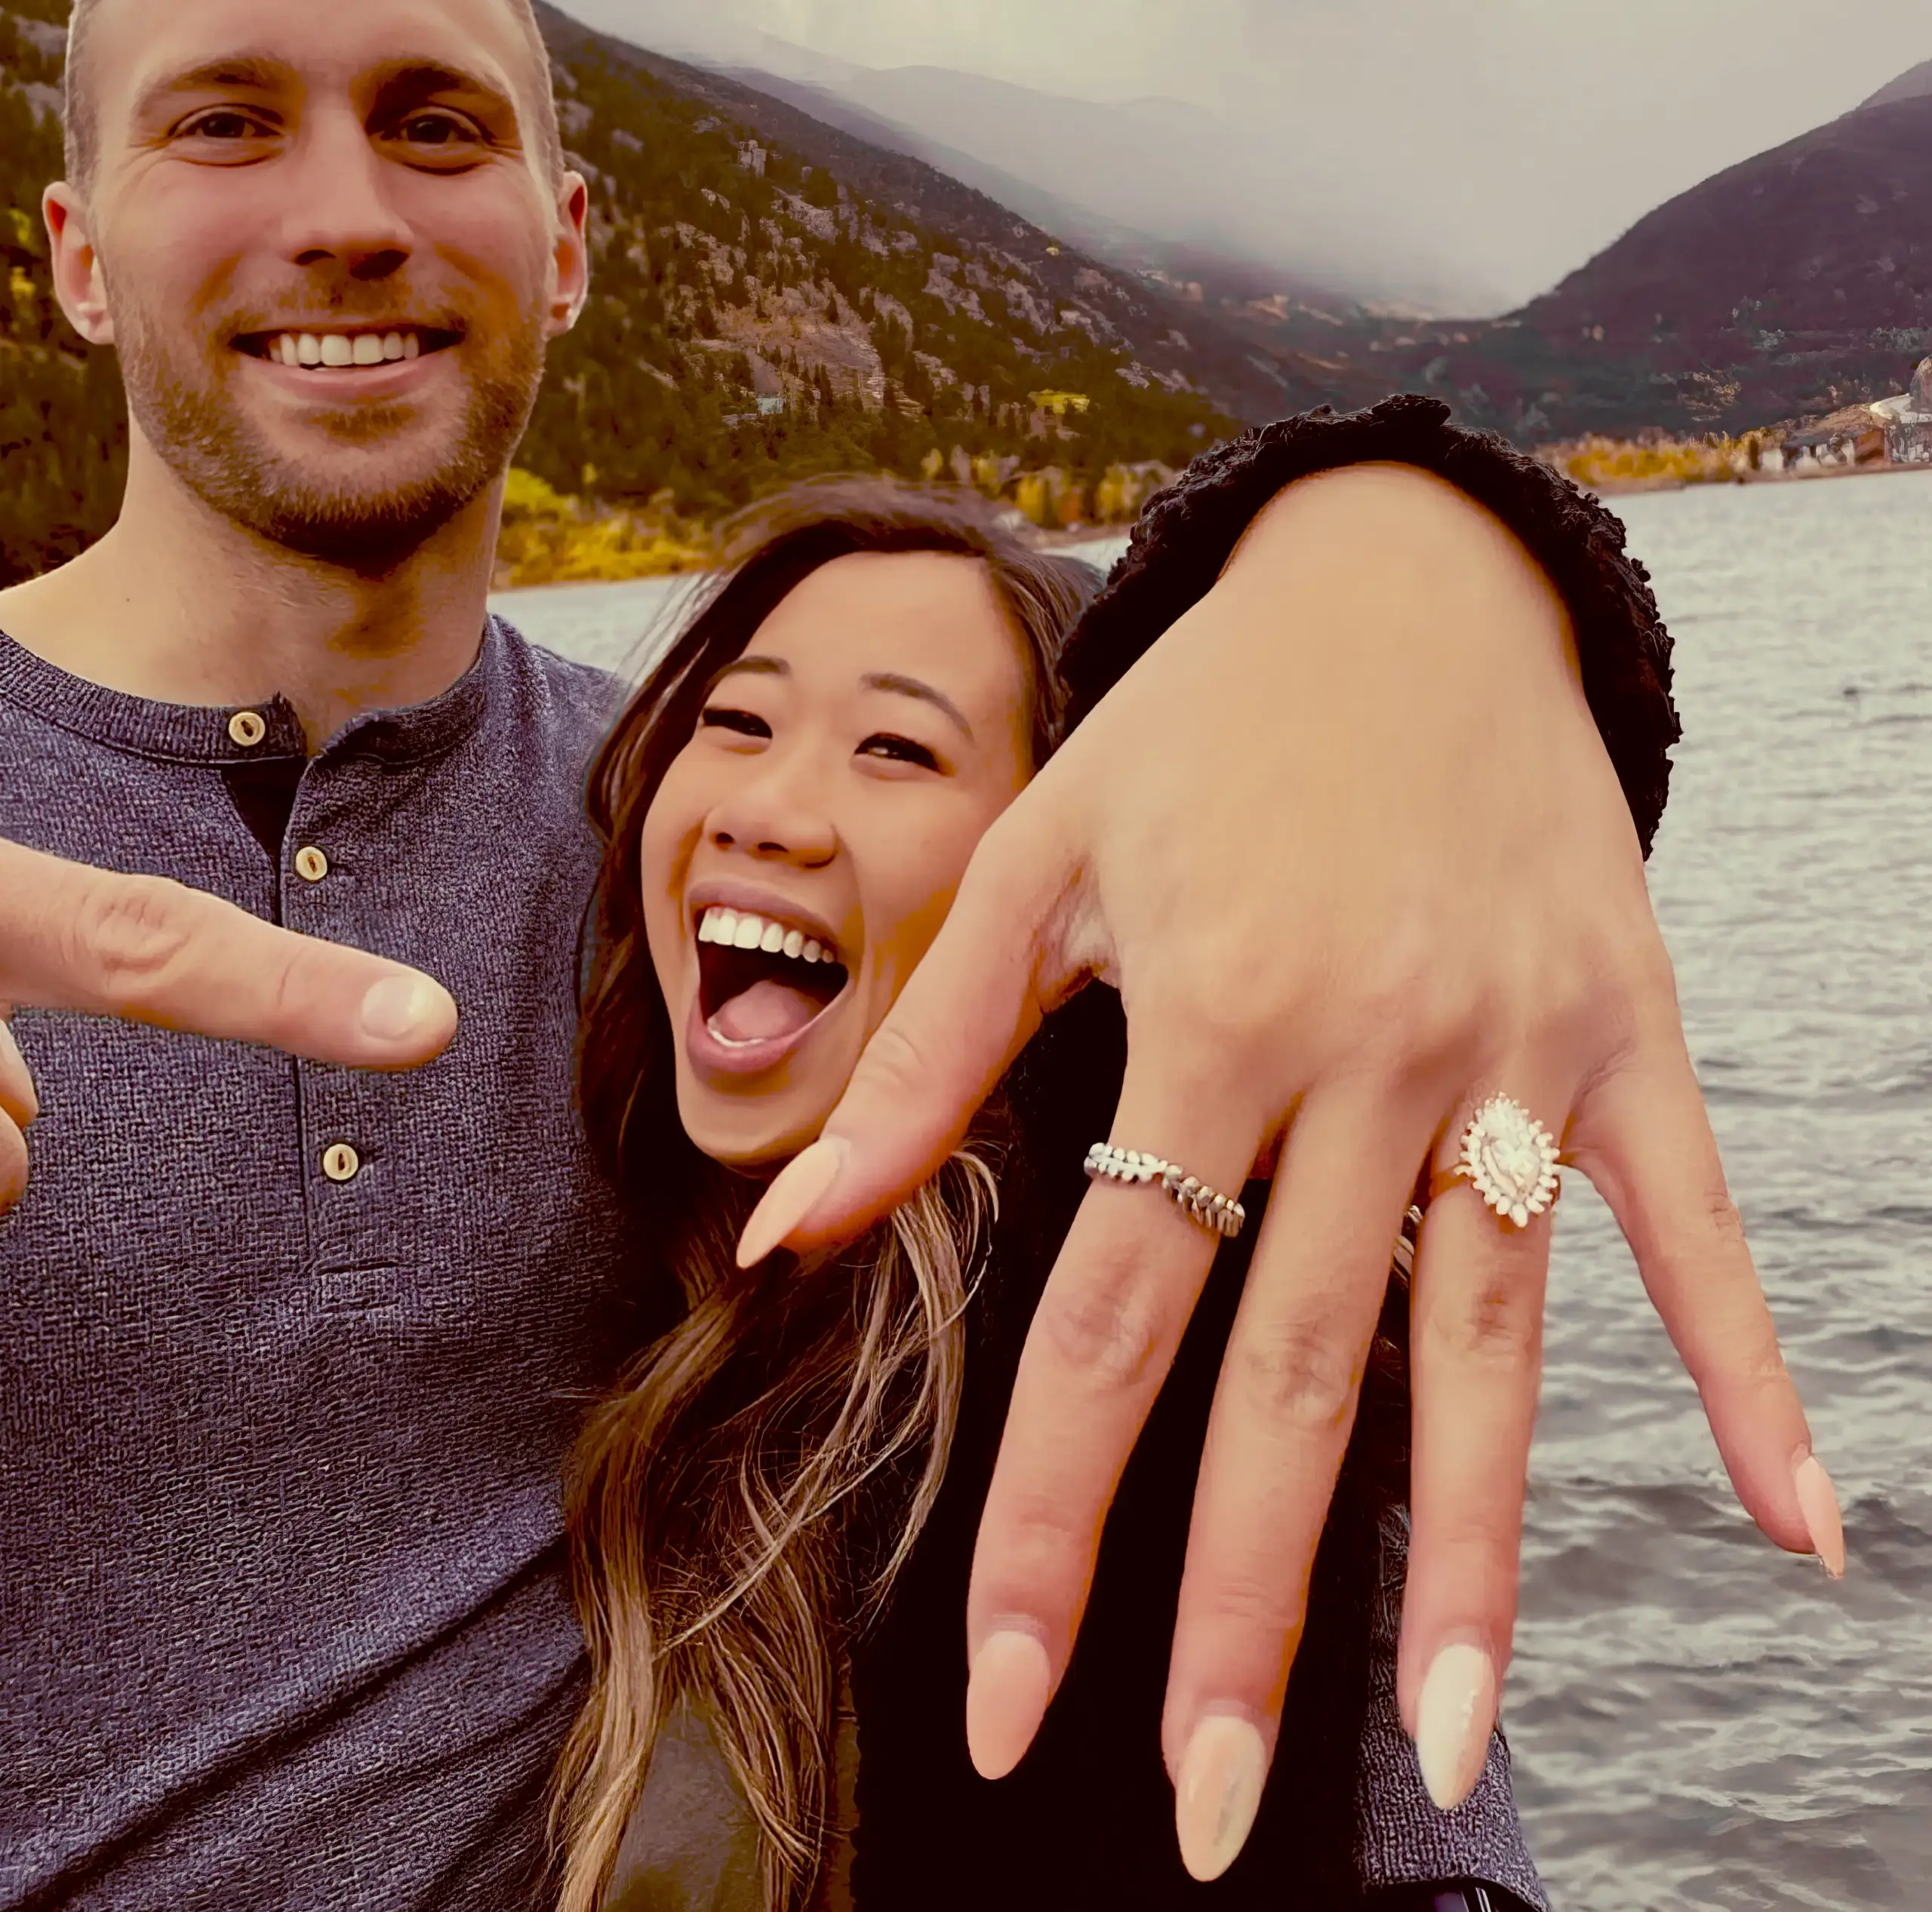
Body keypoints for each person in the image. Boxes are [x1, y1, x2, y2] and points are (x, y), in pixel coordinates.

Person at [0, 0, 1840, 1904]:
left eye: (435, 124)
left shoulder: (655, 840)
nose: (346, 212)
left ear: (561, 249)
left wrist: (1415, 549)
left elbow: (1177, 1277)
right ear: (74, 251)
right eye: (220, 123)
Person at [552, 478, 1549, 1912]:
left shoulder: (1047, 1313)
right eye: (739, 721)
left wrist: (1406, 540)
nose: (770, 809)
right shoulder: (704, 1298)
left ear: (1082, 878)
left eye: (897, 748)